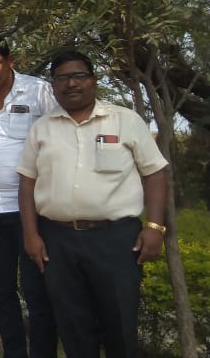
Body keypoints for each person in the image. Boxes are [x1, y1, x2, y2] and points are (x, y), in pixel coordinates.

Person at [19, 51, 168, 358]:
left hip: (115, 241)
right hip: (57, 241)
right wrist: (30, 236)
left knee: (120, 327)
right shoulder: (42, 128)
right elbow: (27, 183)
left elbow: (154, 174)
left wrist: (154, 226)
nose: (70, 84)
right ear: (54, 85)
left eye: (78, 76)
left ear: (93, 81)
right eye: (61, 78)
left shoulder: (125, 121)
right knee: (74, 328)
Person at [0, 35, 57, 357]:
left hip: (31, 212)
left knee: (37, 292)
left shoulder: (39, 92)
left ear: (10, 62)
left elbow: (60, 134)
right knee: (1, 291)